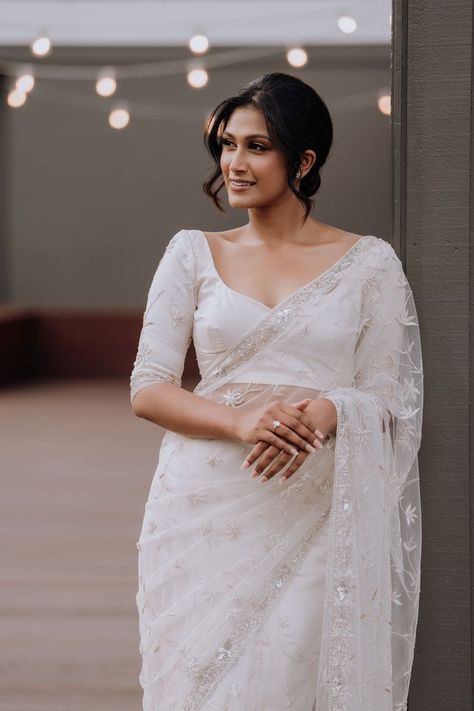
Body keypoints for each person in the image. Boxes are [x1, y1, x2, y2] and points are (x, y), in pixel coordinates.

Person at [130, 72, 423, 711]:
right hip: (202, 507)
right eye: (227, 144)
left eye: (257, 146)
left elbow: (391, 393)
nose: (234, 162)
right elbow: (148, 389)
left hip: (319, 501)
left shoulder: (370, 264)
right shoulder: (191, 254)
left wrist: (327, 410)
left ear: (304, 159)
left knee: (293, 672)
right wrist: (241, 423)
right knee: (205, 684)